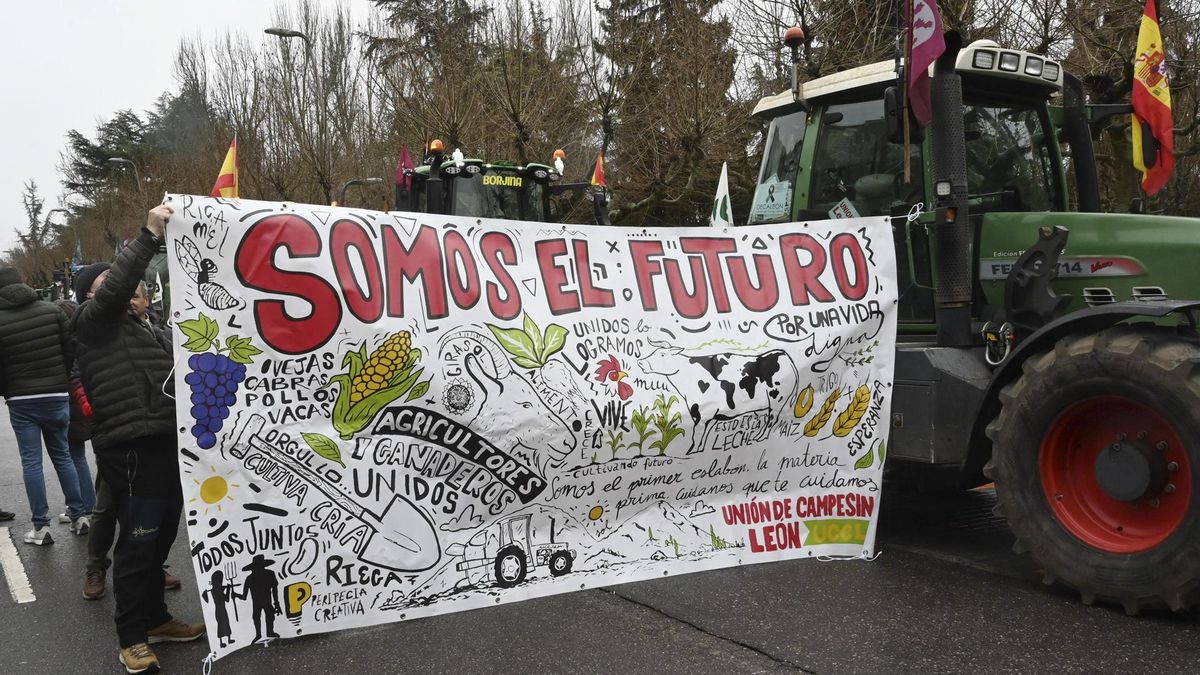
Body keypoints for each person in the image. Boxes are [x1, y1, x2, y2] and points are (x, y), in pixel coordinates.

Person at [71, 205, 204, 674]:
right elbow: (113, 292)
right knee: (138, 542)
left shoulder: (149, 329)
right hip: (131, 448)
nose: (125, 290)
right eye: (105, 284)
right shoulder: (92, 323)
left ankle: (155, 619)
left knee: (163, 534)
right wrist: (148, 236)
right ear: (89, 296)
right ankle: (131, 636)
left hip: (165, 442)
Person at [67, 279, 181, 600]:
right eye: (124, 294)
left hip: (153, 436)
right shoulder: (98, 329)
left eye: (136, 295)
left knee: (155, 515)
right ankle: (96, 566)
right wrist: (93, 408)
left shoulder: (152, 331)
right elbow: (77, 374)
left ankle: (151, 572)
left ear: (147, 302)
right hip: (119, 437)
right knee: (106, 508)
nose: (130, 301)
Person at [0, 266, 87, 544]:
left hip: (21, 398)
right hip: (56, 394)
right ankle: (79, 515)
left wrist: (7, 390)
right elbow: (71, 348)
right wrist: (60, 378)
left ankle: (41, 527)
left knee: (32, 462)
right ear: (24, 282)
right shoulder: (52, 312)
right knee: (63, 455)